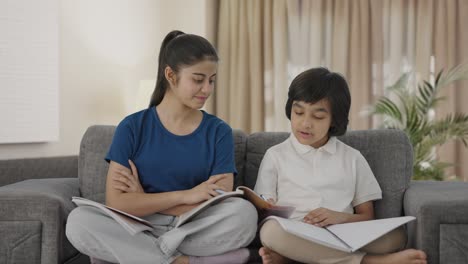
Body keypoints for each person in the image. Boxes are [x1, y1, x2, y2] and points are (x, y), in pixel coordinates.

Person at [65, 30, 257, 264]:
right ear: (171, 75)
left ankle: (142, 254)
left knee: (243, 214)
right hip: (138, 226)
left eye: (211, 80)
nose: (206, 89)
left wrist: (143, 200)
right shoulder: (132, 127)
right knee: (79, 221)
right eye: (198, 79)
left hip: (191, 227)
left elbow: (218, 200)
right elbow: (117, 203)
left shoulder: (219, 132)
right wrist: (186, 196)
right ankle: (181, 261)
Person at [254, 67, 427, 264]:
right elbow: (266, 211)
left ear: (334, 120)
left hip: (342, 234)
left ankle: (292, 257)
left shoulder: (353, 158)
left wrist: (338, 217)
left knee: (396, 236)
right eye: (298, 112)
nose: (305, 123)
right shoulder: (275, 156)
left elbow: (367, 216)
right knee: (270, 232)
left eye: (318, 116)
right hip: (296, 232)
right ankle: (368, 262)